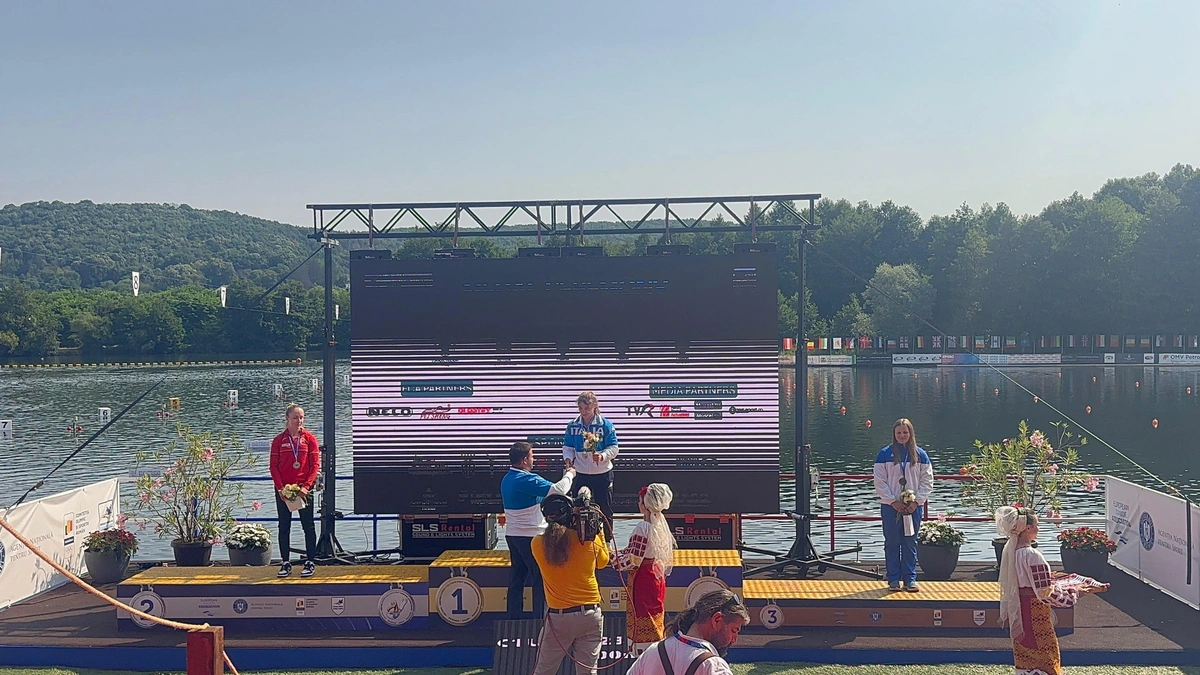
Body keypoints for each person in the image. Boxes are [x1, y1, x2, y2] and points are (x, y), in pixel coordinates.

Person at [996, 506, 1106, 675]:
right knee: (1046, 653)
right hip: (1035, 610)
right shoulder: (1032, 555)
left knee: (1026, 652)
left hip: (1020, 607)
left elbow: (1027, 581)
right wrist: (1077, 592)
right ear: (1028, 528)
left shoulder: (1011, 551)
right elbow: (1045, 593)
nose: (1039, 528)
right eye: (1037, 525)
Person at [530, 491, 610, 675]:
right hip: (590, 613)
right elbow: (603, 562)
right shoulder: (588, 542)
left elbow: (557, 540)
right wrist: (598, 530)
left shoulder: (537, 544)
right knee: (588, 672)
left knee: (544, 671)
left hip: (559, 617)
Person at [500, 441, 576, 619]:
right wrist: (570, 474)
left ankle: (513, 621)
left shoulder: (507, 479)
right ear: (524, 460)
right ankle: (539, 621)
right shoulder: (526, 479)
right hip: (530, 537)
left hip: (513, 535)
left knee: (517, 579)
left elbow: (545, 494)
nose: (534, 459)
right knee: (539, 578)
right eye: (532, 456)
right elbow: (558, 490)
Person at [613, 483, 677, 654]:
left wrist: (611, 560)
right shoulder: (660, 526)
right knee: (655, 614)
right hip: (655, 576)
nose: (638, 504)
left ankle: (644, 655)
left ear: (645, 505)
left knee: (643, 614)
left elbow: (633, 560)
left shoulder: (643, 527)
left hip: (642, 578)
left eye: (640, 501)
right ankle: (657, 651)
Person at [625, 588, 749, 675]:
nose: (734, 639)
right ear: (717, 620)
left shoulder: (652, 652)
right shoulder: (712, 666)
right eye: (734, 630)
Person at [872, 417, 933, 591]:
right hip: (891, 507)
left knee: (910, 543)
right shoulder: (884, 454)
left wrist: (917, 501)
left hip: (913, 507)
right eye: (899, 432)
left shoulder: (920, 455)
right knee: (892, 542)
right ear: (894, 434)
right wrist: (892, 501)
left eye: (905, 432)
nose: (902, 435)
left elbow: (927, 481)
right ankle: (893, 579)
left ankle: (909, 579)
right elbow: (879, 481)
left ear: (910, 433)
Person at [269, 403, 320, 577]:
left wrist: (306, 487)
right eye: (295, 417)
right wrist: (280, 488)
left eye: (301, 417)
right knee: (284, 526)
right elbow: (273, 467)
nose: (299, 421)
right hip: (284, 490)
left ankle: (310, 561)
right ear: (287, 419)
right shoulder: (278, 440)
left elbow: (315, 466)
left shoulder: (310, 439)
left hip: (303, 490)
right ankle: (285, 562)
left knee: (308, 526)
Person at [563, 391, 619, 543]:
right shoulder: (573, 425)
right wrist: (568, 459)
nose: (584, 411)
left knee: (605, 509)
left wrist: (603, 455)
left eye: (587, 408)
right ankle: (577, 540)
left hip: (602, 473)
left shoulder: (605, 425)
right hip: (581, 473)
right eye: (581, 408)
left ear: (595, 406)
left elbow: (614, 448)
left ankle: (607, 542)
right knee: (577, 507)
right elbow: (568, 446)